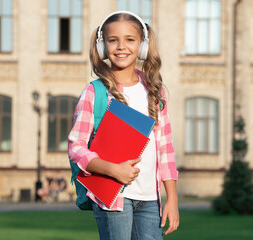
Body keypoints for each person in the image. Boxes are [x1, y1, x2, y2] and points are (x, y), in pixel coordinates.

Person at [68, 11, 179, 239]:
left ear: (143, 46)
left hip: (150, 199)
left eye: (130, 39)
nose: (121, 47)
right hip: (113, 197)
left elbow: (165, 149)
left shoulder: (154, 92)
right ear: (102, 47)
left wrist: (172, 198)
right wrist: (113, 170)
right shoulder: (95, 92)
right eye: (112, 40)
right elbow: (76, 147)